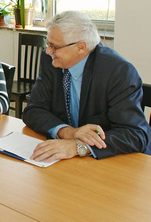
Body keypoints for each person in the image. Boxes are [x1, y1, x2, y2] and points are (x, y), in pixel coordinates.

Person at [23, 11, 151, 161]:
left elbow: (134, 134)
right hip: (68, 161)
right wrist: (69, 132)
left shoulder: (118, 72)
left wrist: (78, 146)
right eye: (48, 43)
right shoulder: (51, 60)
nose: (48, 51)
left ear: (81, 47)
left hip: (114, 162)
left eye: (54, 46)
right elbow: (33, 110)